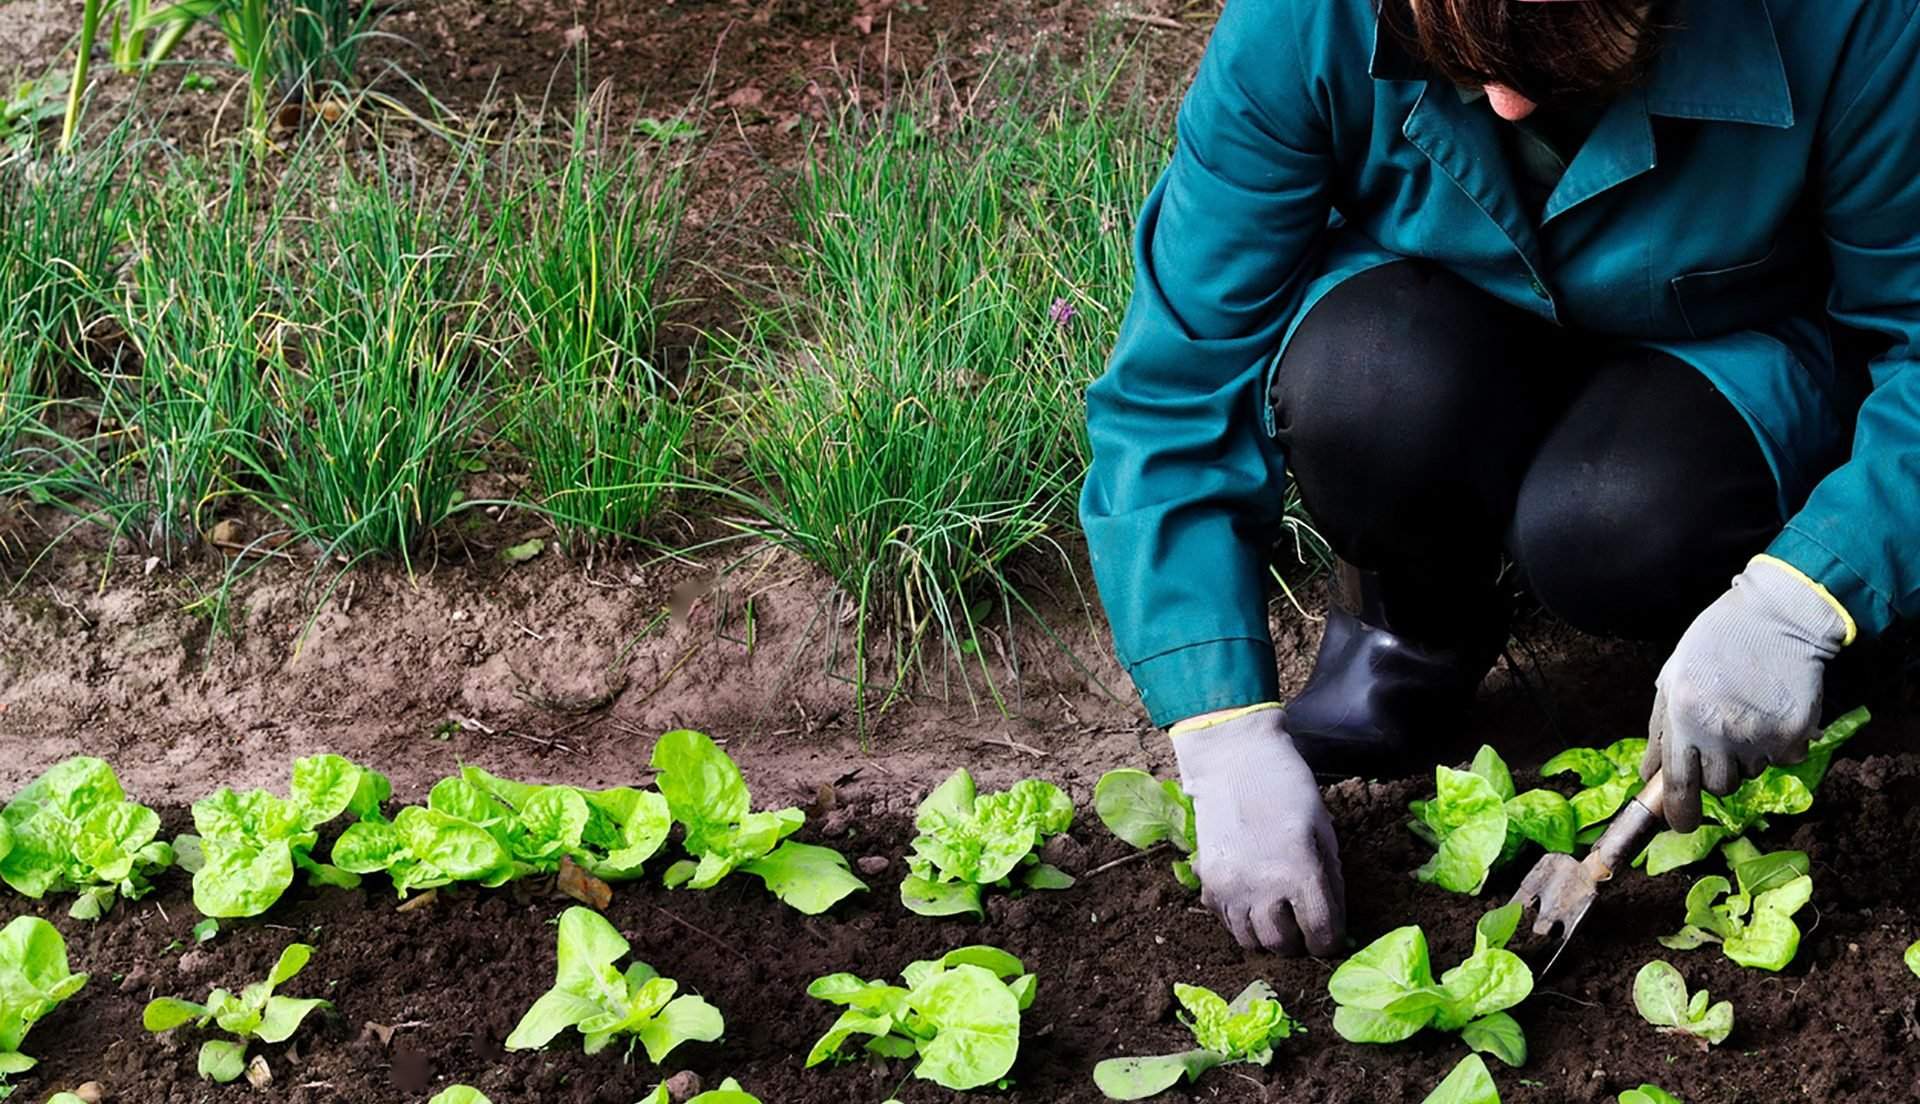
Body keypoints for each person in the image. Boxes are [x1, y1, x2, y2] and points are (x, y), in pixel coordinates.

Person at [1080, 0, 1920, 955]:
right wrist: (1215, 721)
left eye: (1557, 73)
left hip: (1727, 347)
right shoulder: (1306, 18)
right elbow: (1178, 378)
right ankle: (1410, 638)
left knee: (1615, 524)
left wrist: (1813, 592)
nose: (1510, 108)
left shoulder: (1853, 20)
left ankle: (1758, 642)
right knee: (1366, 394)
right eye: (1464, 64)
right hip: (1444, 320)